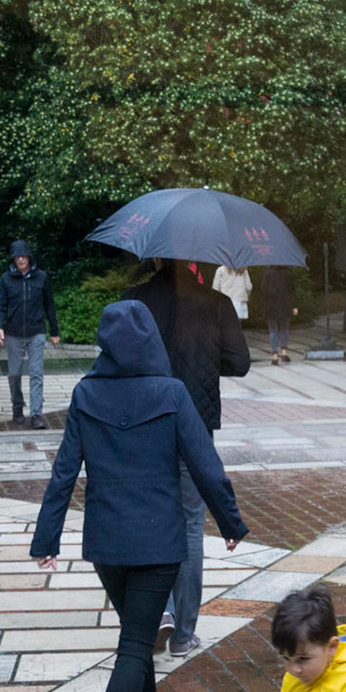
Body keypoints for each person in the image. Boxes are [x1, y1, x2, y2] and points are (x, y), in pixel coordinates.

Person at [33, 300, 246, 692]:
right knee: (134, 646)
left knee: (136, 630)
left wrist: (47, 538)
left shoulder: (86, 394)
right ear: (150, 339)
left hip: (107, 544)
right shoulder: (170, 392)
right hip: (158, 544)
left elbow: (64, 472)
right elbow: (204, 462)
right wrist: (230, 521)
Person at [123, 258, 253, 656]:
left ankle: (158, 611)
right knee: (191, 524)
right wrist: (206, 355)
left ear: (157, 257)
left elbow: (118, 357)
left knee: (151, 519)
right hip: (195, 423)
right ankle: (183, 635)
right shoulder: (215, 303)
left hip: (146, 424)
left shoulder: (135, 302)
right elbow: (240, 363)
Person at [0, 241, 61, 431]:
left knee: (36, 374)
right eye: (17, 256)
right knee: (14, 374)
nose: (21, 259)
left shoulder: (41, 278)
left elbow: (49, 305)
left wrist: (54, 331)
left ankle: (36, 414)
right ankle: (17, 405)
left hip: (36, 332)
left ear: (29, 257)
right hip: (13, 333)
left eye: (24, 255)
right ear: (13, 258)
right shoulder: (6, 279)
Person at [263, 266, 296, 367]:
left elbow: (263, 289)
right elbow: (292, 290)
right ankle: (284, 352)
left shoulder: (267, 273)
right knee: (284, 329)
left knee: (273, 330)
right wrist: (294, 306)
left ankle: (274, 356)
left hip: (271, 305)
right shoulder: (288, 273)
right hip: (284, 305)